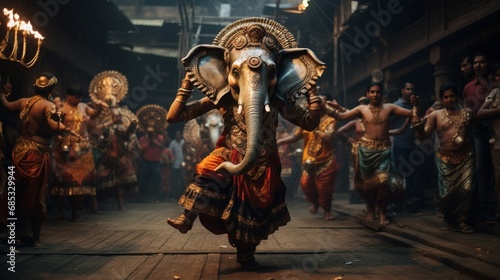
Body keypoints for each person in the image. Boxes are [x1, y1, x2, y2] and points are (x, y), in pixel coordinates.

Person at [165, 72, 323, 269]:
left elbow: (310, 122)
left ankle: (246, 252)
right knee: (207, 168)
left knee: (252, 209)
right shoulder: (223, 96)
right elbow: (173, 116)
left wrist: (312, 93)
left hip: (263, 160)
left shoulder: (276, 99)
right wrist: (187, 84)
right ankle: (188, 217)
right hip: (229, 152)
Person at [327, 82, 416, 226]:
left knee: (383, 183)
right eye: (372, 92)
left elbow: (411, 114)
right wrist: (325, 105)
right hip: (366, 152)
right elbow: (341, 116)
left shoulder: (390, 108)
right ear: (368, 94)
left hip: (384, 151)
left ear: (382, 94)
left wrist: (415, 105)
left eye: (378, 92)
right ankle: (370, 211)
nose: (375, 95)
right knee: (367, 185)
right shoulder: (362, 109)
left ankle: (382, 213)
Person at [0, 73, 67, 245]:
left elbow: (6, 105)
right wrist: (63, 125)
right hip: (36, 154)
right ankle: (35, 238)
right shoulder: (48, 105)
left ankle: (16, 233)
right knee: (37, 194)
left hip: (20, 151)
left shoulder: (23, 101)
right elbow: (54, 126)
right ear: (50, 89)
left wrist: (2, 93)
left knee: (18, 192)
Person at [414, 82, 476, 233]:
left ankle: (462, 220)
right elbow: (424, 135)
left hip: (466, 156)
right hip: (444, 159)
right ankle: (451, 217)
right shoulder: (435, 115)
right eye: (446, 97)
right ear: (441, 99)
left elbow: (477, 130)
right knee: (446, 193)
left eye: (452, 96)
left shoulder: (467, 113)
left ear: (457, 97)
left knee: (467, 188)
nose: (449, 99)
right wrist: (416, 115)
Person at [277, 94, 340, 220]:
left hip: (325, 161)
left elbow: (328, 138)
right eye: (315, 102)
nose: (317, 104)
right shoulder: (306, 120)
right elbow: (295, 136)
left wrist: (315, 126)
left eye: (320, 102)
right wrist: (279, 142)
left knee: (324, 190)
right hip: (308, 162)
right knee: (306, 187)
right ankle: (315, 204)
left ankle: (327, 211)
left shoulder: (331, 120)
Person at [50, 85, 104, 221]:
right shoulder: (60, 109)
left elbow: (94, 115)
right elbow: (54, 128)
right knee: (63, 180)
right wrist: (61, 141)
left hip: (84, 146)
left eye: (80, 97)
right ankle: (61, 212)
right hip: (65, 148)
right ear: (68, 96)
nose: (78, 99)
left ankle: (75, 212)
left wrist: (100, 108)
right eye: (76, 97)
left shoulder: (83, 106)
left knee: (82, 180)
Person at [463, 51, 495, 219]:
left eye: (482, 62)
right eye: (475, 62)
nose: (478, 65)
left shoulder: (494, 84)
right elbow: (467, 112)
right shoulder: (468, 87)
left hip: (494, 129)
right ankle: (480, 207)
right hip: (476, 131)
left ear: (488, 64)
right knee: (478, 169)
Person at [390, 82, 424, 211]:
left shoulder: (413, 105)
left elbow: (419, 119)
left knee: (411, 173)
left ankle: (409, 200)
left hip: (411, 144)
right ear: (402, 90)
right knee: (399, 173)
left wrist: (417, 105)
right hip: (399, 143)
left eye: (412, 89)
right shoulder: (396, 106)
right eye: (408, 89)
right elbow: (389, 123)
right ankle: (397, 201)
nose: (410, 91)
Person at [477, 62, 500, 224]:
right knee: (499, 178)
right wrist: (498, 110)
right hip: (498, 142)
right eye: (498, 75)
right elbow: (480, 112)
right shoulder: (495, 93)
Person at [138, 129, 164, 203]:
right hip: (146, 162)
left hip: (156, 162)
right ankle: (141, 197)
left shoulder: (160, 137)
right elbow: (140, 149)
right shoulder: (143, 139)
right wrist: (148, 142)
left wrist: (154, 142)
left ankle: (156, 197)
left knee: (157, 181)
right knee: (143, 180)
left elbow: (162, 147)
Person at [168, 130, 185, 200]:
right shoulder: (173, 143)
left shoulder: (183, 142)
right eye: (177, 134)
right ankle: (174, 196)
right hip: (175, 164)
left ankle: (182, 196)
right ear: (175, 135)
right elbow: (170, 152)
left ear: (181, 135)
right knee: (174, 181)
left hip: (183, 164)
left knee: (183, 180)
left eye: (179, 134)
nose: (178, 136)